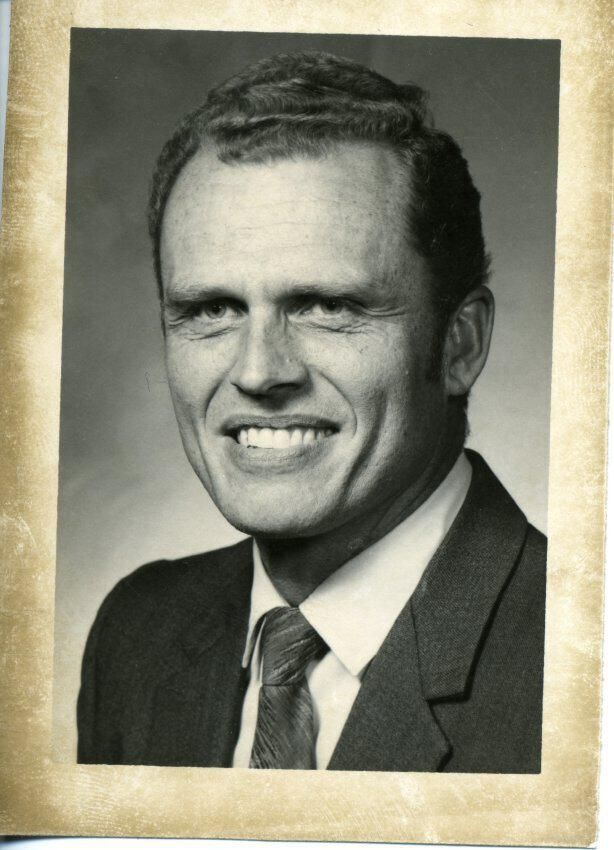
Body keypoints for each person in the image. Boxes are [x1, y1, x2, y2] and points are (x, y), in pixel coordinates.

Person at [77, 50, 547, 772]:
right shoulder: (138, 631)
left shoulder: (581, 655)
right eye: (211, 310)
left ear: (460, 345)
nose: (259, 372)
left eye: (326, 305)